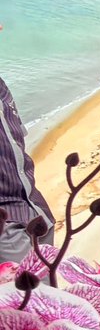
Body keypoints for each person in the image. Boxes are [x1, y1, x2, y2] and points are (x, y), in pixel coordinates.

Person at [0, 75, 55, 262]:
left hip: (35, 209)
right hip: (6, 226)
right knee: (30, 290)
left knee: (50, 288)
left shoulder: (2, 88)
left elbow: (16, 144)